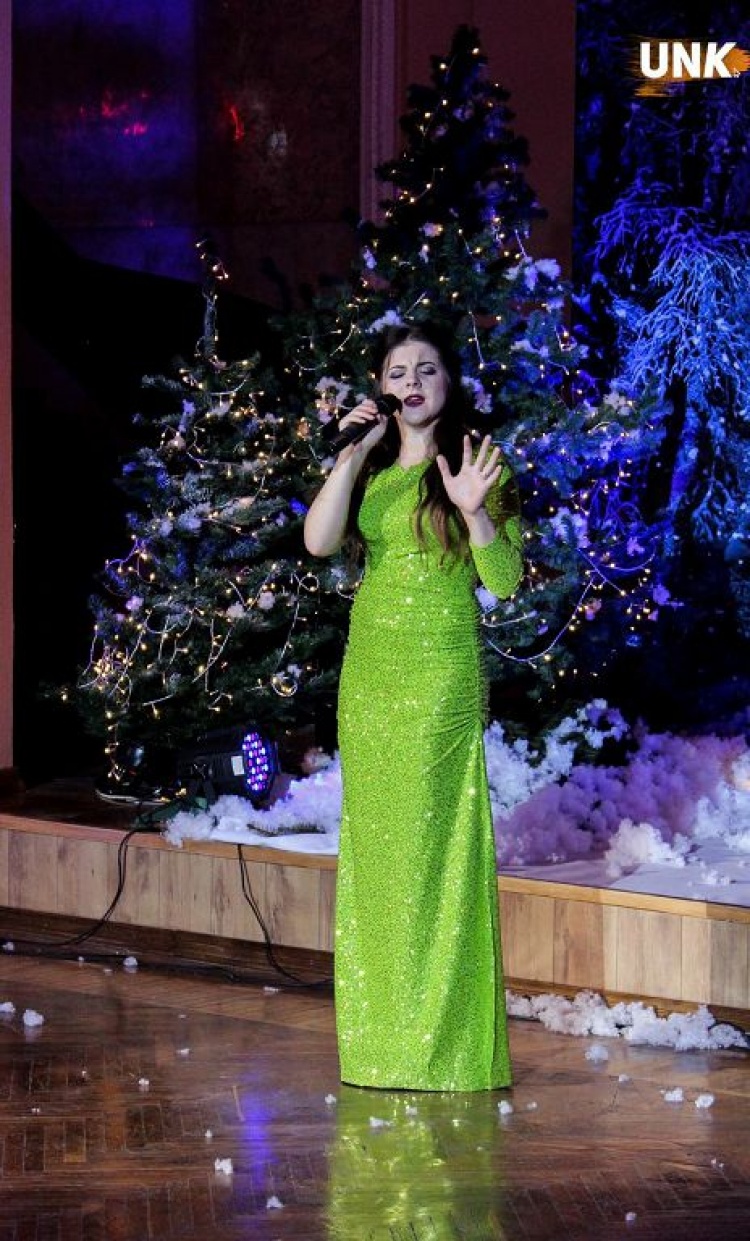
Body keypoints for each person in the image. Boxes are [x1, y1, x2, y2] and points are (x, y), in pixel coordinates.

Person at [304, 321, 524, 1091]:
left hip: (440, 678)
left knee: (433, 849)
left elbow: (504, 580)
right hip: (370, 678)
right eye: (399, 371)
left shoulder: (476, 461)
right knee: (378, 853)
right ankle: (382, 1044)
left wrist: (474, 510)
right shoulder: (368, 465)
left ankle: (444, 1046)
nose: (413, 382)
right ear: (381, 386)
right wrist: (351, 453)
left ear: (449, 383)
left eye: (428, 369)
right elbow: (319, 541)